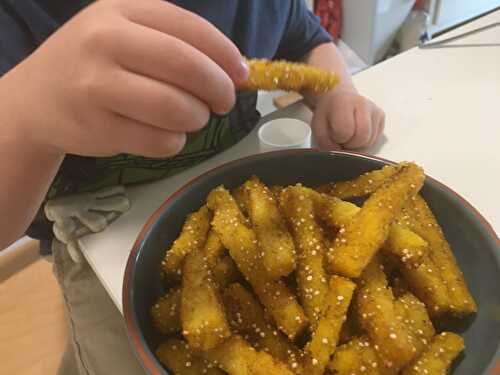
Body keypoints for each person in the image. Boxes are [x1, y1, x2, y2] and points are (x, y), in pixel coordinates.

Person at [0, 1, 385, 373]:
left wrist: (339, 94)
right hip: (101, 236)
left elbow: (306, 42)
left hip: (246, 204)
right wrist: (27, 113)